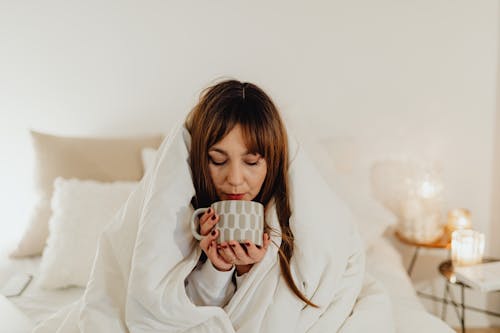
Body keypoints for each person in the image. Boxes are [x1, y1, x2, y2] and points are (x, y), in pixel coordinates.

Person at [184, 79, 317, 308]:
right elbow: (184, 314)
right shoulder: (185, 212)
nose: (235, 179)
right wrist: (219, 266)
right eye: (218, 160)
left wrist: (250, 271)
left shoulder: (295, 217)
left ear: (271, 163)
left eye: (252, 162)